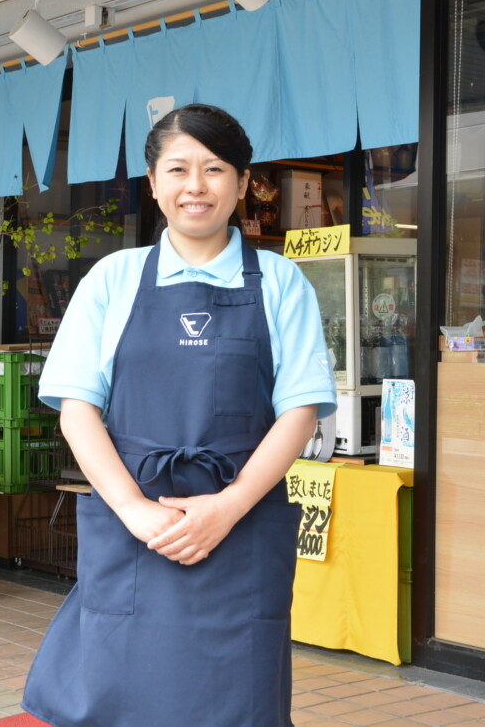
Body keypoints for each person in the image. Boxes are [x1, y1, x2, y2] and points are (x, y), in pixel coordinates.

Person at [22, 104, 336, 726]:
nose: (196, 186)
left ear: (243, 183)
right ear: (153, 180)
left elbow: (299, 412)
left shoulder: (281, 282)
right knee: (121, 697)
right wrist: (136, 513)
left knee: (239, 705)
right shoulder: (112, 279)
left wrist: (228, 506)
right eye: (179, 169)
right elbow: (76, 410)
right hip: (135, 524)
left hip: (240, 525)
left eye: (215, 169)